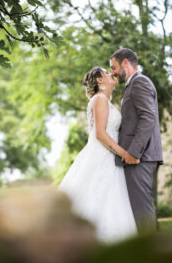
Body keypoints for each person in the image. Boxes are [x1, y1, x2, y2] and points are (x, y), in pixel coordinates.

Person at [58, 67, 137, 243]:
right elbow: (100, 134)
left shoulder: (104, 101)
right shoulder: (100, 99)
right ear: (100, 81)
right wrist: (124, 153)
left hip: (107, 157)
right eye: (106, 73)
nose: (111, 74)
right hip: (102, 157)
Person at [110, 48, 163, 234]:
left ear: (125, 63)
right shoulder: (133, 85)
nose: (112, 72)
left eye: (114, 67)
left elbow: (148, 118)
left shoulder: (140, 82)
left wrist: (133, 152)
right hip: (139, 156)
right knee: (137, 210)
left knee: (142, 210)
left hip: (141, 156)